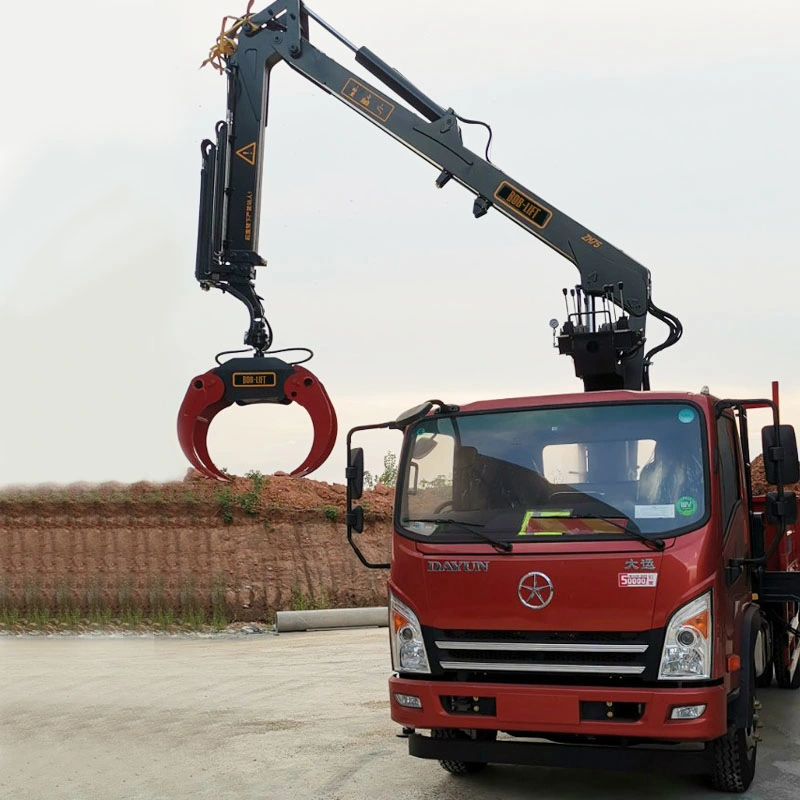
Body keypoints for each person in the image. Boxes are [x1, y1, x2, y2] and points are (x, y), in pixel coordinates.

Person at [638, 436, 703, 507]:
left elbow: (683, 500)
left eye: (666, 451)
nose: (661, 454)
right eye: (660, 450)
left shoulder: (686, 472)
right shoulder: (649, 471)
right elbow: (643, 499)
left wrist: (680, 479)